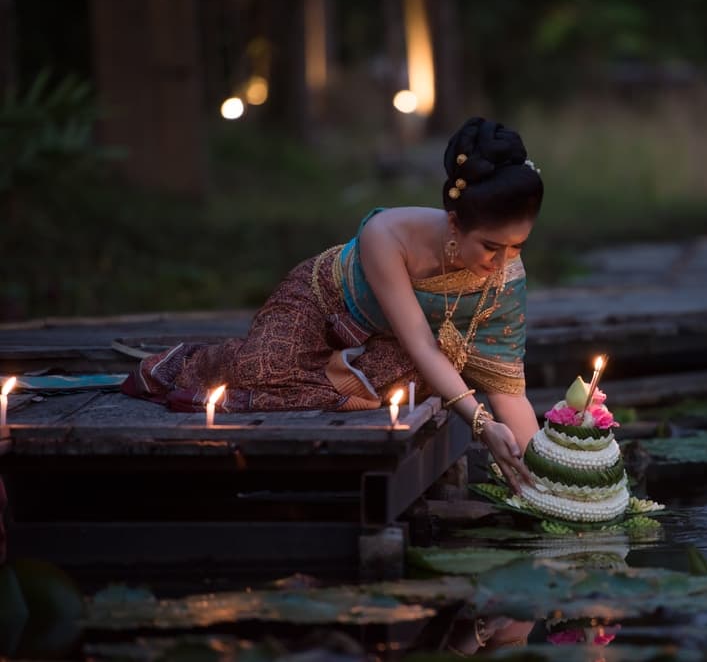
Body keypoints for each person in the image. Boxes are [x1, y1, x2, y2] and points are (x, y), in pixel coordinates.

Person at [122, 117, 541, 491]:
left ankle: (348, 372)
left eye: (516, 247)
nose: (502, 262)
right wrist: (480, 423)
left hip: (389, 345)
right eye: (490, 247)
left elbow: (506, 385)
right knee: (261, 369)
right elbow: (420, 342)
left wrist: (545, 476)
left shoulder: (507, 275)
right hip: (323, 304)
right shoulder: (388, 234)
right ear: (454, 223)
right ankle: (186, 363)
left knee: (398, 380)